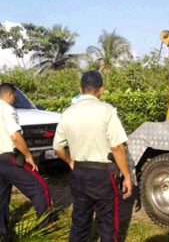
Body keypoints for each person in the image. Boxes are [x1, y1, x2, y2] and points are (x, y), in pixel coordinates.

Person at [53, 70, 132, 242]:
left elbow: (57, 147)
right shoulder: (107, 111)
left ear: (80, 89)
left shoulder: (67, 113)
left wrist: (70, 161)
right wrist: (126, 175)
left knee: (80, 221)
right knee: (107, 224)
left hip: (79, 173)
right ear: (101, 89)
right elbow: (117, 147)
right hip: (102, 175)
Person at [0, 83, 51, 242]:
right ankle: (45, 229)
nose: (15, 99)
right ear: (9, 95)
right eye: (14, 96)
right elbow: (15, 136)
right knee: (40, 188)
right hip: (8, 158)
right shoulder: (7, 109)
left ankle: (2, 236)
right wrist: (28, 156)